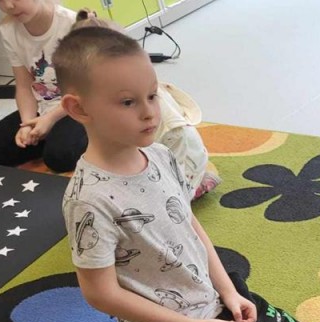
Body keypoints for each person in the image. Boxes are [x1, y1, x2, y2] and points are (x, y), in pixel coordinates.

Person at [54, 26, 320, 322]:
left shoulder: (161, 154)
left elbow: (191, 226)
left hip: (210, 296)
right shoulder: (88, 200)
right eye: (128, 102)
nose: (150, 112)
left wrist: (229, 292)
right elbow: (100, 293)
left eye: (152, 95)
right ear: (78, 109)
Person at [70, 8, 220, 199]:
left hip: (180, 157)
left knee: (153, 199)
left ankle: (198, 183)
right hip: (143, 147)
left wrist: (177, 191)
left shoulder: (152, 102)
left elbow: (177, 135)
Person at [0, 0, 84, 172]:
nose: (9, 6)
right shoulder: (8, 28)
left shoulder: (73, 24)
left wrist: (50, 119)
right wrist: (27, 124)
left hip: (80, 107)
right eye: (0, 0)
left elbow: (88, 88)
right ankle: (48, 139)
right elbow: (24, 86)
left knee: (60, 157)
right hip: (43, 106)